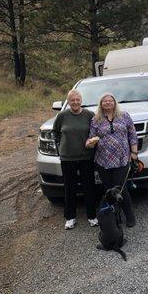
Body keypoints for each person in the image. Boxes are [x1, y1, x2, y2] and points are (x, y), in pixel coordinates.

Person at [86, 93, 138, 227]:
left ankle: (130, 216)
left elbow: (132, 134)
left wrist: (134, 152)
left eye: (110, 101)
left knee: (120, 189)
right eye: (105, 101)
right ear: (101, 104)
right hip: (103, 161)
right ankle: (114, 217)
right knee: (109, 190)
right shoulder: (95, 119)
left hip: (122, 159)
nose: (108, 103)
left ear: (114, 103)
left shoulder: (124, 116)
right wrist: (91, 142)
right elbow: (90, 138)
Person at [52, 89, 98, 230]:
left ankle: (92, 216)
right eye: (72, 100)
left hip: (86, 156)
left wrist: (92, 143)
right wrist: (62, 147)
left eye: (77, 100)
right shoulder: (62, 116)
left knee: (88, 187)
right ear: (68, 101)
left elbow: (96, 132)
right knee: (69, 187)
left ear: (81, 101)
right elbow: (56, 132)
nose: (75, 102)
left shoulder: (89, 115)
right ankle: (70, 217)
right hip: (68, 158)